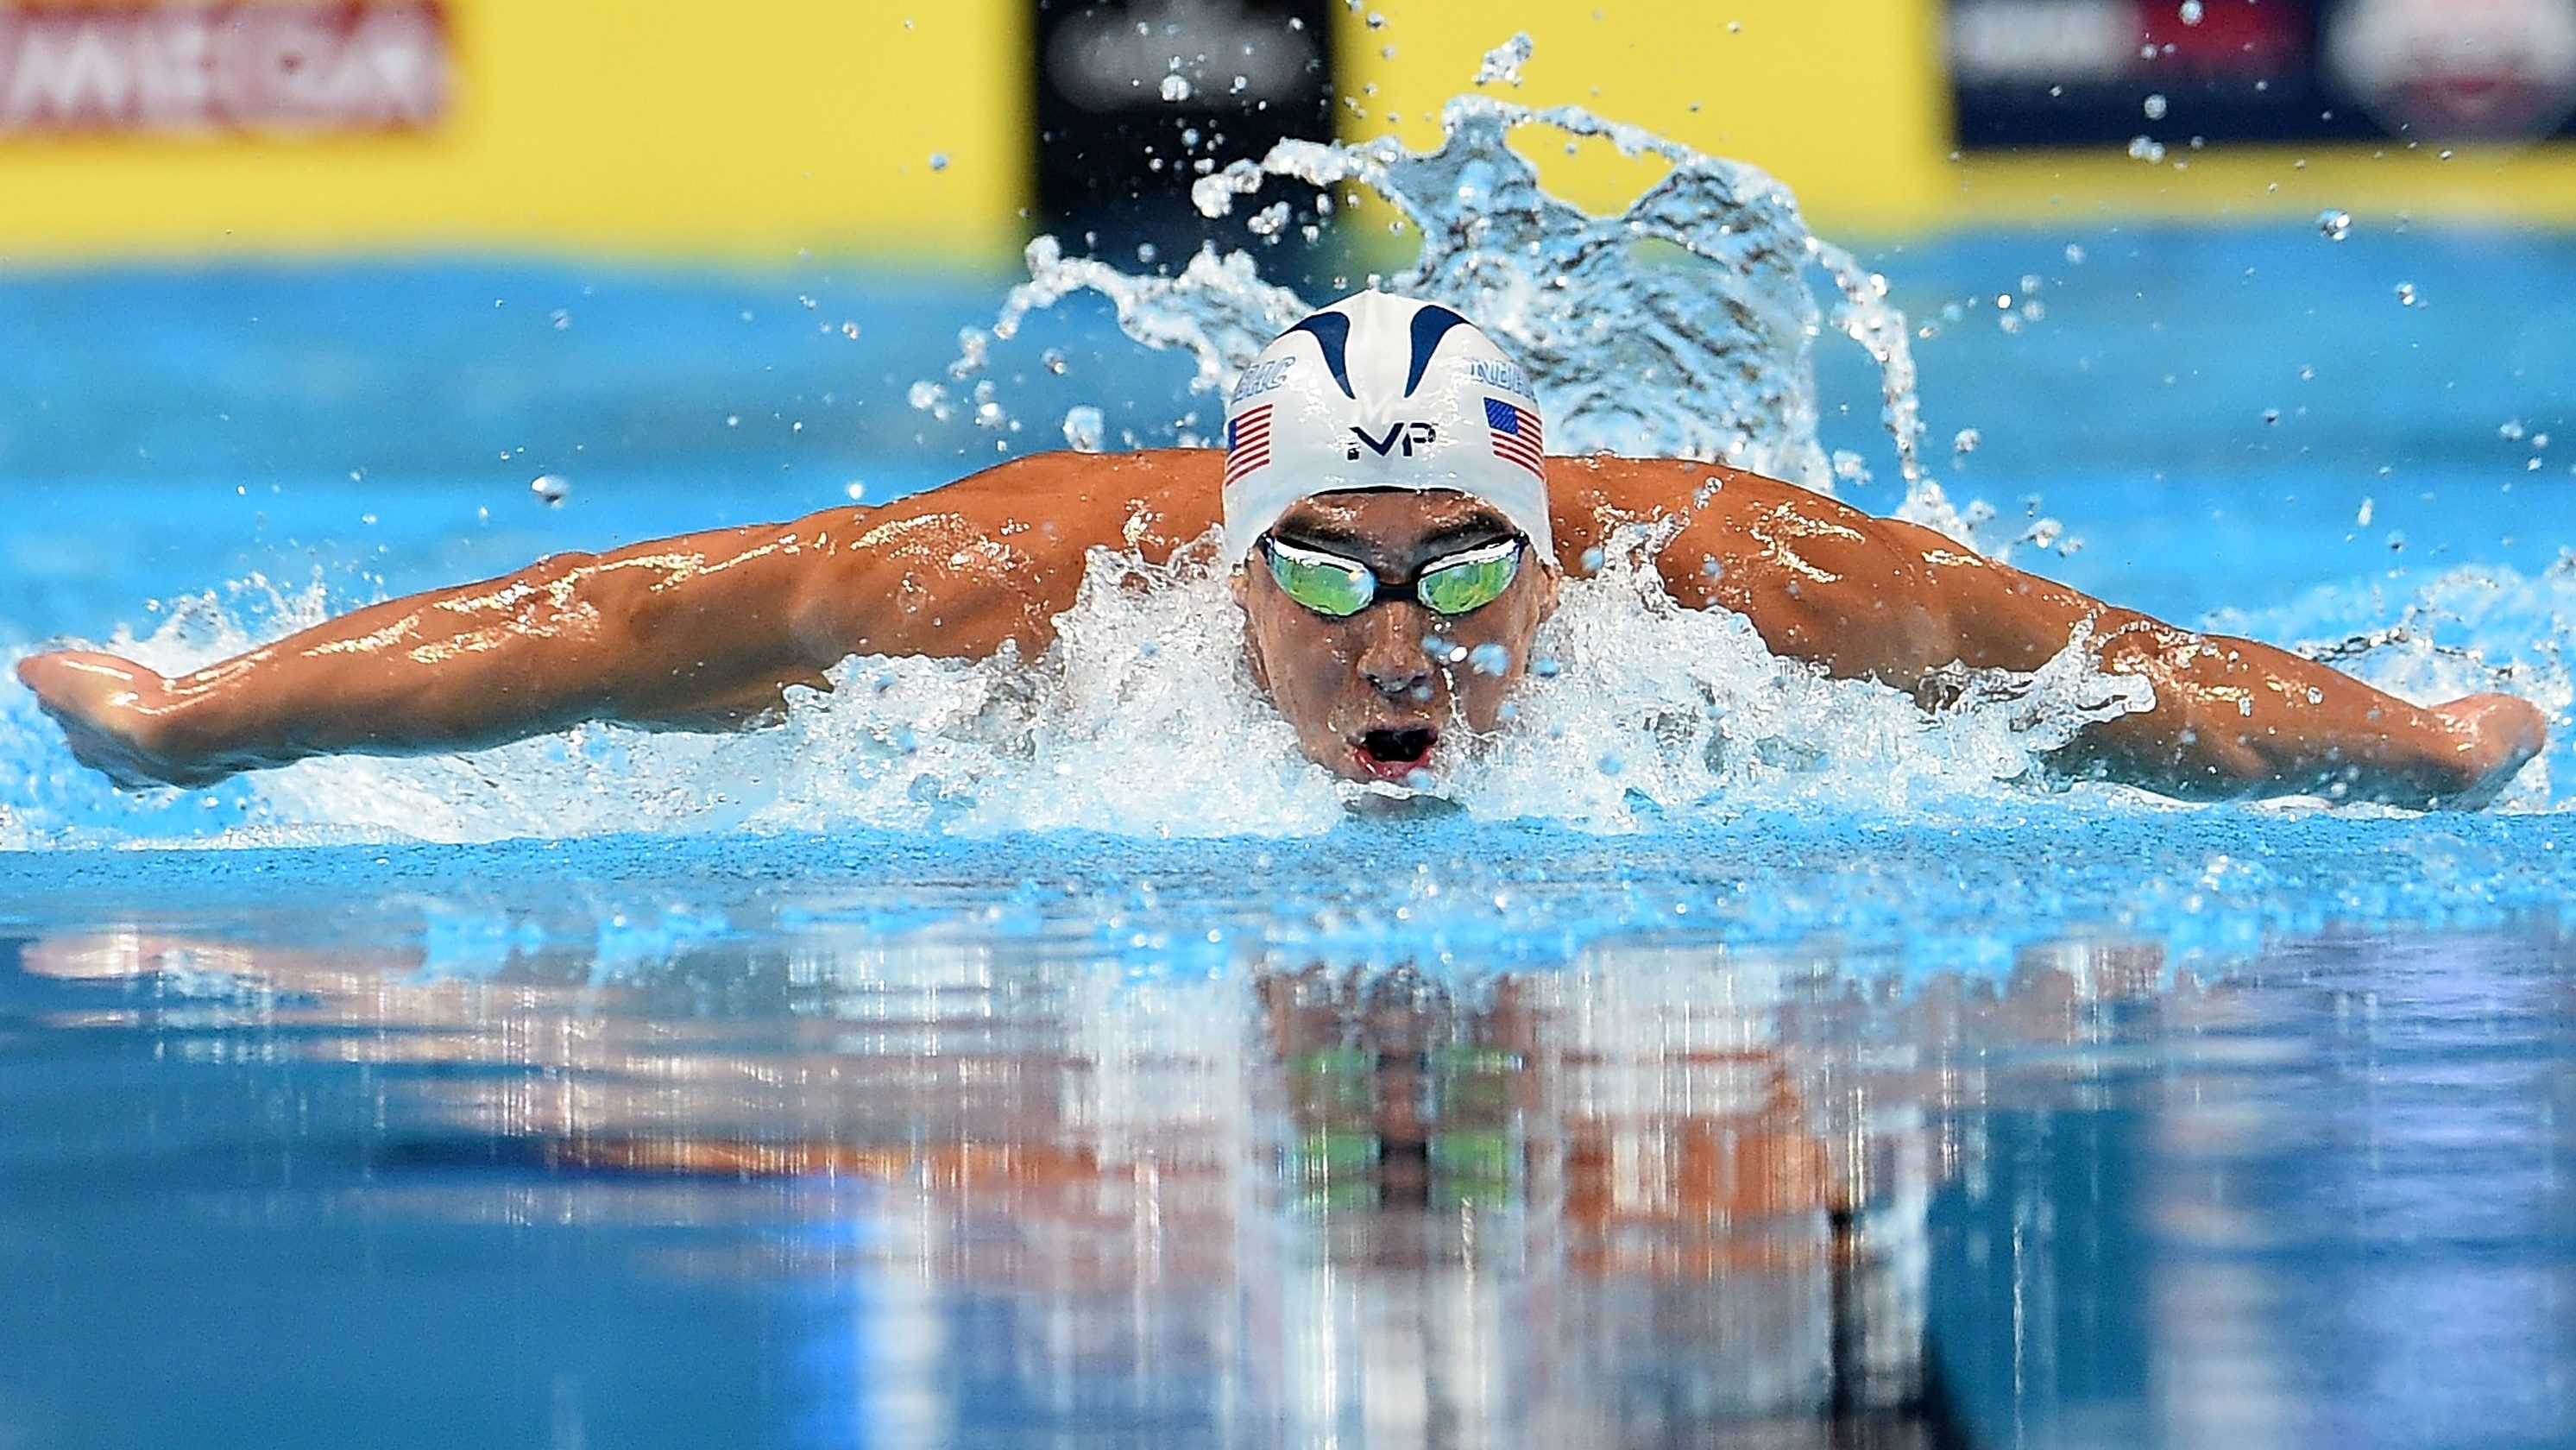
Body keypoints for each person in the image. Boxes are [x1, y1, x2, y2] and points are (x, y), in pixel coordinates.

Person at [13, 291, 2548, 808]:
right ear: (1223, 563)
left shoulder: (1739, 584)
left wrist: (2422, 753)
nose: (1398, 635)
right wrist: (213, 728)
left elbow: (2123, 676)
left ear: (1559, 565)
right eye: (1323, 573)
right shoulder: (1020, 584)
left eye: (1465, 571)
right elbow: (603, 621)